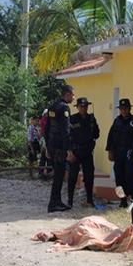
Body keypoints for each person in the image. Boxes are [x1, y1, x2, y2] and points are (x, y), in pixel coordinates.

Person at [45, 85, 75, 213]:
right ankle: (54, 203)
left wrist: (47, 146)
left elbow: (47, 128)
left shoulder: (52, 106)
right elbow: (65, 131)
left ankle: (56, 201)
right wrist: (68, 150)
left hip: (52, 145)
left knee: (58, 174)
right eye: (73, 95)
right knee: (59, 175)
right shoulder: (64, 108)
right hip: (60, 147)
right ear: (67, 94)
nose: (74, 97)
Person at [106, 98, 133, 208]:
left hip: (130, 152)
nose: (124, 111)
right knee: (119, 178)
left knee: (130, 176)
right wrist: (110, 151)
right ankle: (122, 200)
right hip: (118, 153)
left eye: (126, 108)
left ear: (129, 109)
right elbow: (110, 137)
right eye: (122, 109)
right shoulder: (117, 121)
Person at [67, 97, 100, 208]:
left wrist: (94, 125)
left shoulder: (91, 119)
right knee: (72, 176)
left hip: (87, 151)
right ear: (78, 107)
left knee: (89, 176)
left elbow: (96, 135)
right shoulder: (72, 119)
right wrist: (69, 151)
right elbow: (68, 136)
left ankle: (89, 200)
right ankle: (70, 201)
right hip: (76, 151)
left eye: (85, 106)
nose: (83, 108)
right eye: (81, 106)